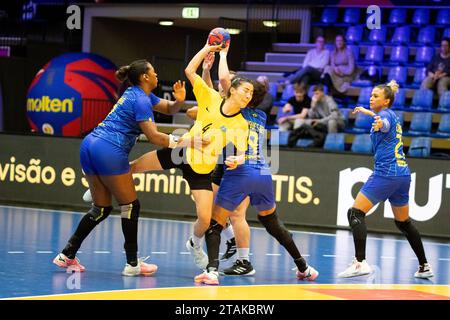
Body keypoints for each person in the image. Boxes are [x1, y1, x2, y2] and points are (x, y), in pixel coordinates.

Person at [53, 59, 190, 276]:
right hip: (108, 149)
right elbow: (154, 137)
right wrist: (184, 142)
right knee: (130, 206)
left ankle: (67, 255)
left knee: (101, 209)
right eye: (154, 72)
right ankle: (133, 264)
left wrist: (179, 101)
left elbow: (168, 107)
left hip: (89, 144)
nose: (157, 75)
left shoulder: (136, 93)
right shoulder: (141, 101)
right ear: (145, 77)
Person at [129, 42, 254, 271]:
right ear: (231, 89)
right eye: (245, 90)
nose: (248, 96)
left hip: (202, 169)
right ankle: (102, 188)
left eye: (251, 93)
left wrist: (238, 160)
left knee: (206, 220)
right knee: (134, 167)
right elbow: (189, 71)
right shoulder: (211, 98)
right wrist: (208, 48)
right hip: (182, 151)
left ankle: (194, 245)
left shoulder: (241, 124)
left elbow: (244, 154)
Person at [194, 93, 319, 285]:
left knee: (215, 222)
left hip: (237, 170)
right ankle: (304, 267)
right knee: (270, 221)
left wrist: (220, 64)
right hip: (262, 171)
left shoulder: (233, 114)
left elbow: (199, 110)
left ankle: (212, 271)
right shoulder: (260, 115)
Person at [338, 80, 433, 279]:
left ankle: (360, 262)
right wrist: (369, 112)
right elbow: (386, 118)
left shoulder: (384, 117)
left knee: (355, 213)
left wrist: (378, 121)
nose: (371, 98)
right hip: (402, 175)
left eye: (375, 96)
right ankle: (424, 266)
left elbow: (384, 123)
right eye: (371, 95)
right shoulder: (391, 114)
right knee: (404, 223)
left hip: (386, 173)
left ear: (386, 101)